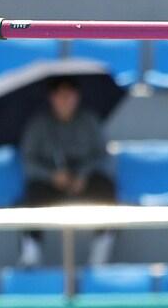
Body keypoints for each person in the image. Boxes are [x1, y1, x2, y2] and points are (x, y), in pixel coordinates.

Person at [17, 78, 117, 267]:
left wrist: (82, 176)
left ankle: (100, 254)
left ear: (77, 97)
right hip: (51, 184)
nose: (65, 101)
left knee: (105, 189)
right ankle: (31, 254)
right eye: (60, 96)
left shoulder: (90, 121)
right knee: (32, 194)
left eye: (69, 95)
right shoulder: (38, 124)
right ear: (51, 97)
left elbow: (102, 156)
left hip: (84, 182)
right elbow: (29, 161)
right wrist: (52, 176)